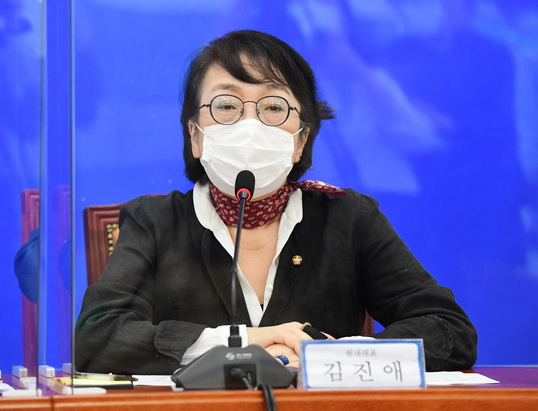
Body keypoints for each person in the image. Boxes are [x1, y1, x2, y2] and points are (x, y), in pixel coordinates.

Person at [75, 30, 477, 375]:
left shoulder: (348, 217)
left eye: (273, 107)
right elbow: (97, 338)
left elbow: (449, 331)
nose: (250, 125)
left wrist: (327, 358)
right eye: (227, 106)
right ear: (195, 136)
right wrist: (244, 342)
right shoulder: (156, 220)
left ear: (301, 140)